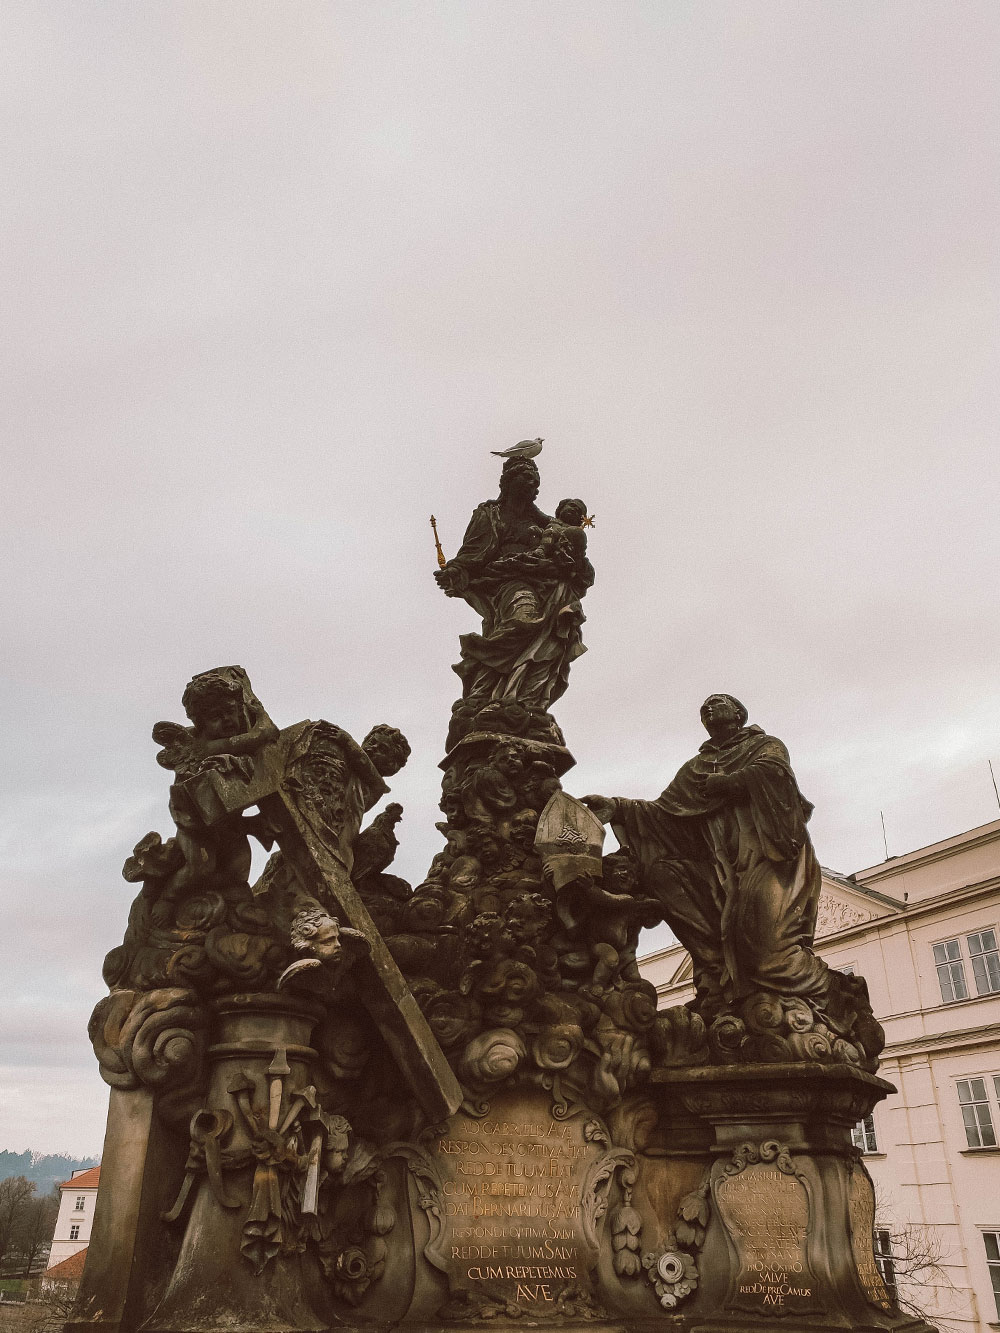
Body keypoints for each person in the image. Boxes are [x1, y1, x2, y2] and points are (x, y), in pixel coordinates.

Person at [583, 695, 830, 1021]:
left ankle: (829, 992)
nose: (708, 709)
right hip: (720, 868)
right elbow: (664, 813)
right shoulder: (696, 768)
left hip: (769, 858)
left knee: (767, 957)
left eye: (716, 703)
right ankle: (716, 978)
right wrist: (619, 807)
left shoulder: (764, 746)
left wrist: (730, 783)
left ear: (739, 713)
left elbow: (773, 774)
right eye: (703, 709)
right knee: (662, 873)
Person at [435, 458, 594, 726]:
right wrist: (456, 571)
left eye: (535, 479)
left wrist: (574, 559)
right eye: (525, 476)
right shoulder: (490, 513)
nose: (532, 482)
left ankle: (528, 701)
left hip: (548, 587)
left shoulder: (546, 523)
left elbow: (578, 566)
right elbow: (473, 552)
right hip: (509, 582)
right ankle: (483, 694)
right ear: (507, 482)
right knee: (522, 621)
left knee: (552, 641)